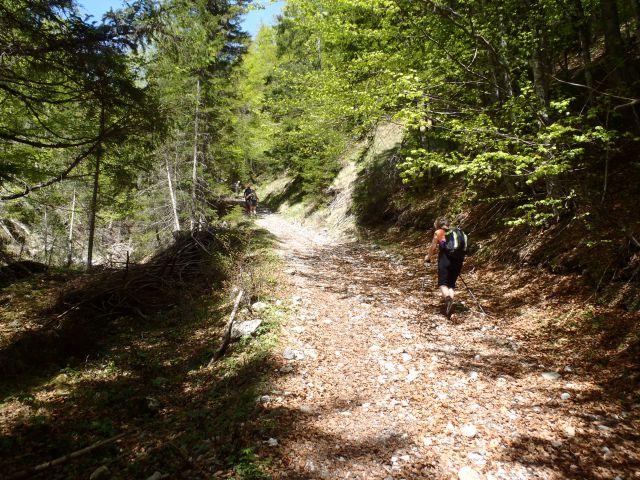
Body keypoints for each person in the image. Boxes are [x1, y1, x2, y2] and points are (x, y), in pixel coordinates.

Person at [424, 217, 466, 317]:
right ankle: (450, 308)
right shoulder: (457, 231)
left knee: (443, 284)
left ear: (438, 225)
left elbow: (433, 247)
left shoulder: (439, 232)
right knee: (451, 284)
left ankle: (448, 299)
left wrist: (428, 258)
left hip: (445, 259)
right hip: (458, 260)